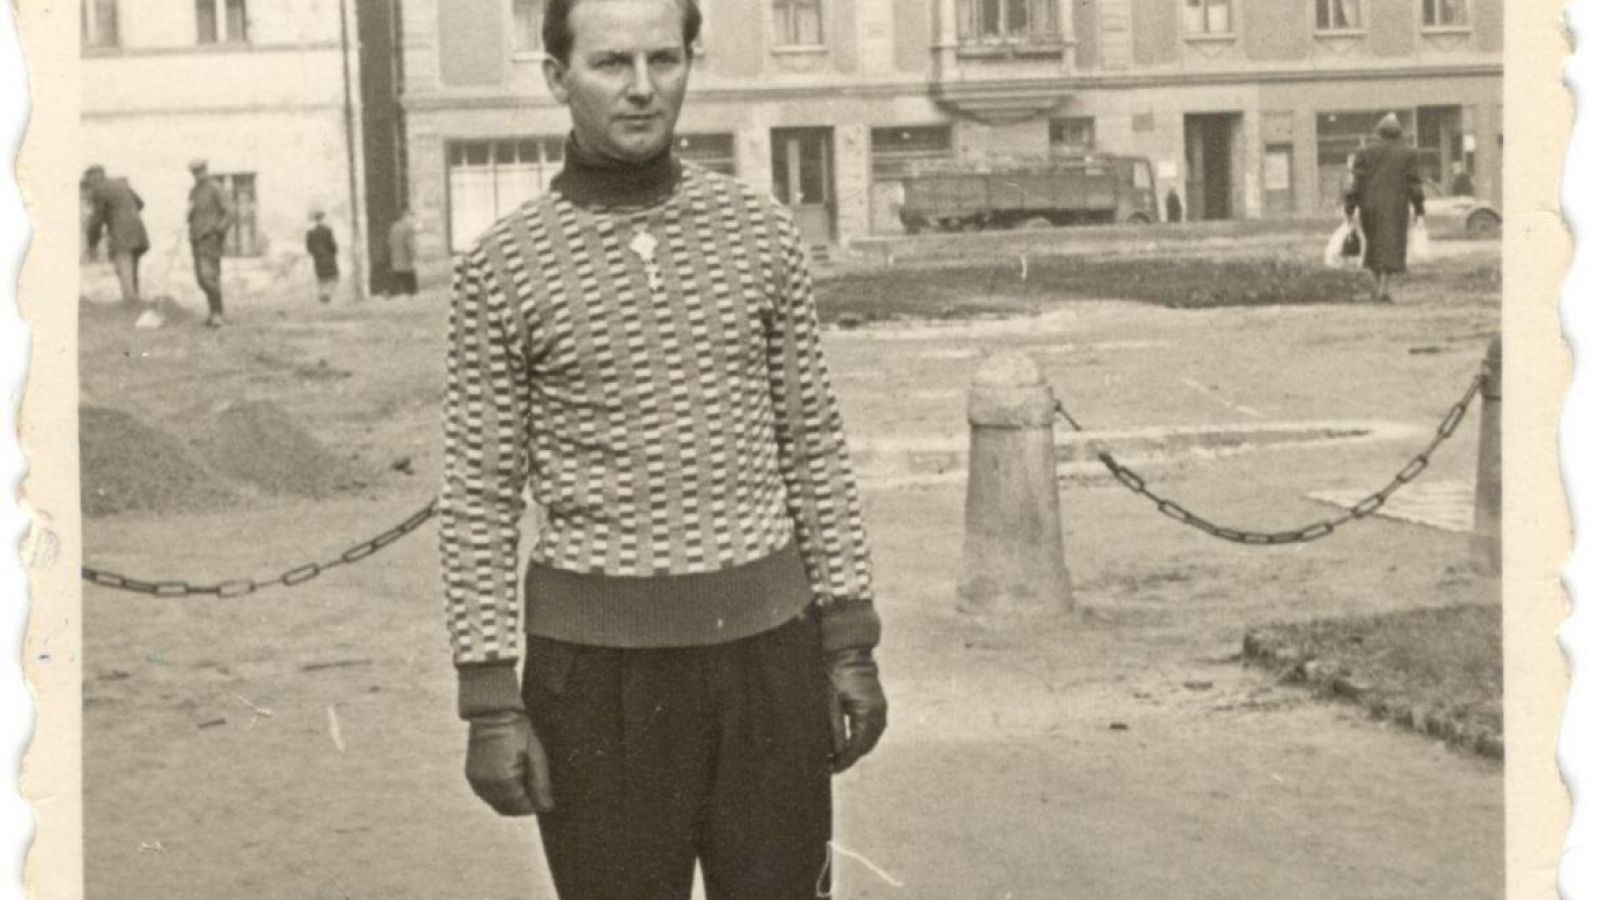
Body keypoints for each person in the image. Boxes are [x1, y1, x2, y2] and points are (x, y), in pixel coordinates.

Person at [438, 0, 887, 896]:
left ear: (689, 62)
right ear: (557, 77)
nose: (642, 88)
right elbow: (479, 497)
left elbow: (812, 444)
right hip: (598, 683)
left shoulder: (762, 234)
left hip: (768, 659)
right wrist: (489, 700)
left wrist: (849, 642)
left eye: (664, 59)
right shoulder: (502, 266)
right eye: (611, 64)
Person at [1343, 113, 1425, 302]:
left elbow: (1356, 183)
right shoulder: (1409, 153)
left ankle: (1379, 288)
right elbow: (1414, 184)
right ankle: (1383, 290)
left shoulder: (1364, 152)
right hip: (1396, 207)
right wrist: (1419, 208)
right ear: (1399, 133)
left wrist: (1350, 207)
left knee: (1373, 245)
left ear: (1379, 132)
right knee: (1391, 247)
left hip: (1369, 207)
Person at [83, 165, 151, 305]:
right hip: (138, 230)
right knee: (133, 266)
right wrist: (124, 211)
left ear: (94, 176)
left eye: (88, 178)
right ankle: (135, 300)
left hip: (121, 234)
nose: (88, 182)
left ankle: (129, 300)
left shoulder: (99, 189)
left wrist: (92, 244)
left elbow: (96, 220)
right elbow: (140, 204)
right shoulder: (121, 184)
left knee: (123, 265)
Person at [186, 159, 234, 327]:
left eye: (200, 171)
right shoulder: (194, 191)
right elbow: (191, 214)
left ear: (206, 170)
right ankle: (213, 313)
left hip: (210, 239)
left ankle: (218, 314)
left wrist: (217, 231)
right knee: (201, 279)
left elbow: (229, 213)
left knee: (209, 276)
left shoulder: (216, 188)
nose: (197, 175)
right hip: (196, 239)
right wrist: (188, 215)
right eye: (194, 173)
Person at [305, 209, 340, 304]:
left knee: (321, 277)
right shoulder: (328, 230)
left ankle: (322, 294)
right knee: (334, 276)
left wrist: (316, 254)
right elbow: (332, 245)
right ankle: (327, 294)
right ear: (323, 219)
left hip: (318, 258)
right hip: (328, 257)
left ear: (315, 220)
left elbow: (309, 248)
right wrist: (334, 252)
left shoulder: (310, 232)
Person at [386, 207, 418, 297]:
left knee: (397, 274)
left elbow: (389, 242)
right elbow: (410, 245)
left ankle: (393, 292)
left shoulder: (394, 226)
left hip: (395, 258)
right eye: (411, 217)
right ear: (406, 217)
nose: (413, 220)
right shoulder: (408, 228)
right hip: (405, 258)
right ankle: (411, 293)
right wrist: (413, 257)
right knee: (409, 276)